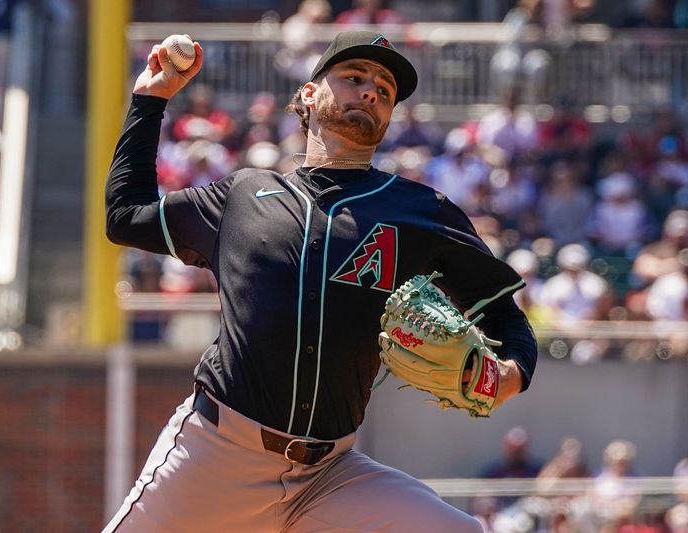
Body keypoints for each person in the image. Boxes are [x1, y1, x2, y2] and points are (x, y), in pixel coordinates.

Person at [102, 31, 537, 532]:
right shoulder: (243, 195)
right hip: (219, 456)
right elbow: (124, 216)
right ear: (309, 94)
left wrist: (511, 374)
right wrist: (150, 100)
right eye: (354, 78)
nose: (371, 91)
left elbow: (505, 316)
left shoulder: (420, 211)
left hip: (332, 474)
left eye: (385, 90)